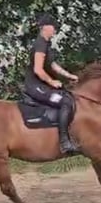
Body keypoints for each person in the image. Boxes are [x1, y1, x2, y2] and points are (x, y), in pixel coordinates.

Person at [22, 13, 80, 154]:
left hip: (42, 85)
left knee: (68, 97)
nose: (55, 30)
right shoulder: (40, 44)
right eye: (53, 27)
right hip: (35, 87)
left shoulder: (46, 44)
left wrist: (69, 75)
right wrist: (52, 82)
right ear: (45, 27)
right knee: (65, 102)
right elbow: (38, 69)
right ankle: (64, 142)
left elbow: (53, 65)